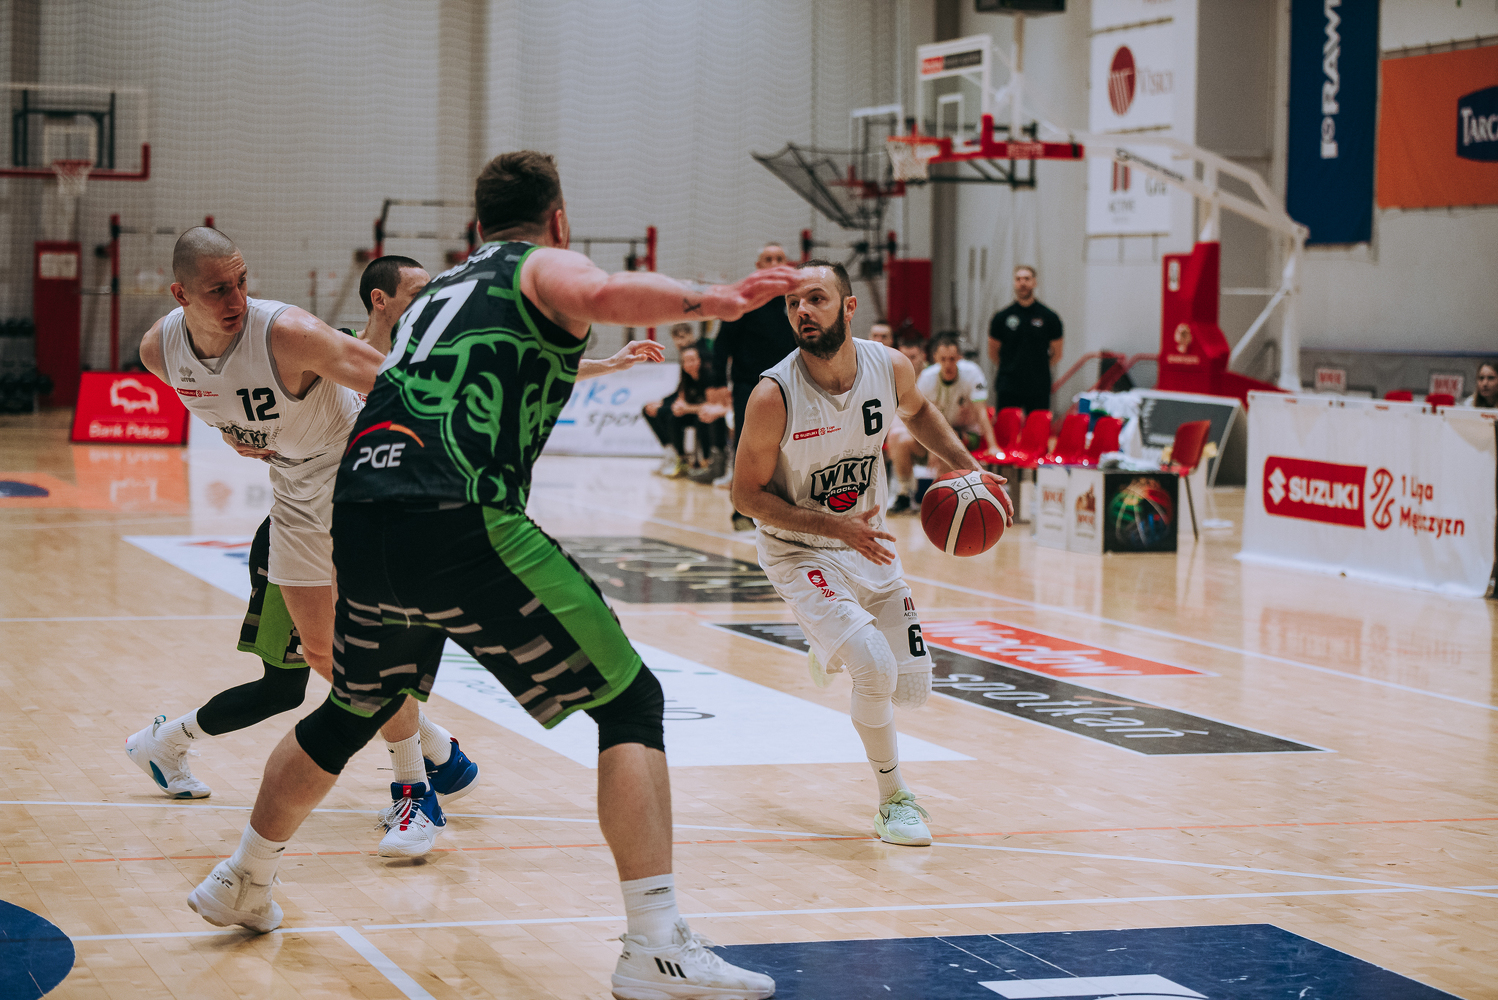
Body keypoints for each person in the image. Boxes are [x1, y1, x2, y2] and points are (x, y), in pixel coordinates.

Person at [186, 151, 790, 1000]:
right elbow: (600, 293)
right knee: (630, 703)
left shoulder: (438, 289)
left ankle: (244, 878)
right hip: (458, 510)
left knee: (354, 704)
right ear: (559, 219)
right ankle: (656, 946)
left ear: (475, 224)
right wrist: (716, 300)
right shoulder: (537, 263)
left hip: (358, 514)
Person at [129, 241, 480, 859]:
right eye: (218, 290)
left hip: (358, 485)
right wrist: (238, 434)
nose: (237, 299)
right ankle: (432, 747)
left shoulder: (289, 333)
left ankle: (415, 791)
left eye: (242, 281)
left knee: (363, 651)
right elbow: (223, 400)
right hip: (291, 490)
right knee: (320, 654)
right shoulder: (159, 350)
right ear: (180, 295)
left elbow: (406, 387)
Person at [732, 260, 1013, 850]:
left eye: (815, 298)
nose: (802, 311)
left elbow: (920, 411)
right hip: (799, 548)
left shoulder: (889, 366)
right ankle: (894, 800)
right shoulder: (773, 395)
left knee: (911, 691)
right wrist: (832, 527)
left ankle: (828, 643)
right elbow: (745, 496)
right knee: (874, 668)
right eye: (792, 303)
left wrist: (970, 469)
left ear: (849, 306)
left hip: (870, 543)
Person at [711, 242, 799, 529]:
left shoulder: (797, 299)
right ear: (758, 266)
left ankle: (783, 511)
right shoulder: (744, 299)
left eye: (779, 258)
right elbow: (722, 344)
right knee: (746, 447)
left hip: (791, 387)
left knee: (791, 447)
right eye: (768, 259)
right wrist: (717, 382)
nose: (774, 263)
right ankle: (741, 513)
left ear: (787, 264)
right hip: (749, 385)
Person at [886, 332, 999, 513]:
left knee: (947, 443)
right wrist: (932, 446)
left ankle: (943, 499)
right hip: (935, 434)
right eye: (943, 359)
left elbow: (981, 413)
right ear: (936, 359)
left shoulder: (972, 373)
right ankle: (905, 494)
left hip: (967, 435)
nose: (948, 364)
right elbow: (917, 417)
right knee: (898, 438)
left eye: (952, 359)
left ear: (959, 358)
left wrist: (993, 446)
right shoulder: (927, 377)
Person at [988, 264, 1063, 414]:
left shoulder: (1049, 317)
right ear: (1014, 283)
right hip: (1008, 385)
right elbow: (993, 353)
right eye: (1018, 279)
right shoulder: (1001, 317)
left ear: (1034, 282)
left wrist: (1035, 368)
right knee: (1006, 427)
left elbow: (1057, 353)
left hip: (1038, 385)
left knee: (1038, 426)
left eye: (1027, 279)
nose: (1022, 283)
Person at [643, 322, 704, 477]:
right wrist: (663, 401)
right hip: (688, 401)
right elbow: (682, 389)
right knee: (650, 409)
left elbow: (701, 388)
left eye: (682, 337)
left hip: (698, 404)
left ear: (691, 336)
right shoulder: (685, 354)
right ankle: (670, 452)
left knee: (670, 415)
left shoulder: (699, 354)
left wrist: (674, 405)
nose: (679, 342)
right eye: (676, 338)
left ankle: (680, 458)